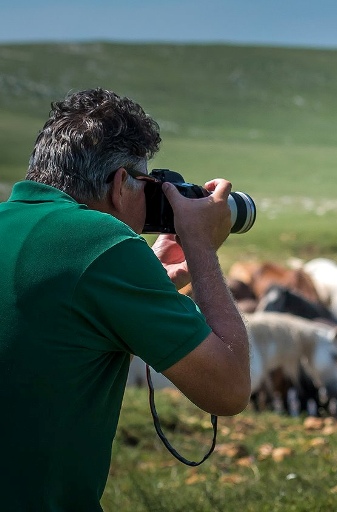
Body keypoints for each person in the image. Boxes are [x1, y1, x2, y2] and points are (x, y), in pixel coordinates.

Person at [0, 88, 251, 510]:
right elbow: (230, 389)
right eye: (149, 185)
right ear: (121, 184)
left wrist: (150, 280)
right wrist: (202, 247)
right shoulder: (102, 241)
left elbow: (57, 314)